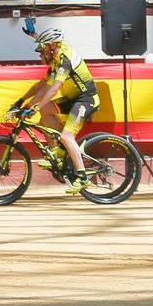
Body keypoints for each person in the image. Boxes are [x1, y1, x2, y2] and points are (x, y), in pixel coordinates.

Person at [9, 29, 99, 194]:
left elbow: (52, 90)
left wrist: (33, 108)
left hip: (86, 100)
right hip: (73, 100)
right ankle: (59, 153)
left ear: (52, 47)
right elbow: (41, 87)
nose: (40, 55)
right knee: (45, 111)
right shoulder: (56, 59)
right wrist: (21, 103)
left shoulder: (64, 62)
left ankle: (83, 178)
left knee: (66, 136)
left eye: (42, 51)